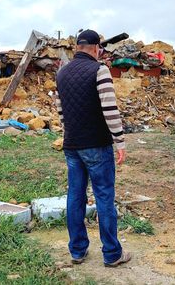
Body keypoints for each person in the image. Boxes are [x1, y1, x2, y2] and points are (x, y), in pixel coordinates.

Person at [54, 29, 131, 267]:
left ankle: (77, 250)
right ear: (97, 48)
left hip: (72, 145)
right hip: (97, 145)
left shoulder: (62, 72)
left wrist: (70, 132)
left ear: (78, 47)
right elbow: (110, 109)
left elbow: (60, 111)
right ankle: (112, 254)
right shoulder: (100, 70)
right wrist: (120, 141)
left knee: (75, 196)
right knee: (104, 197)